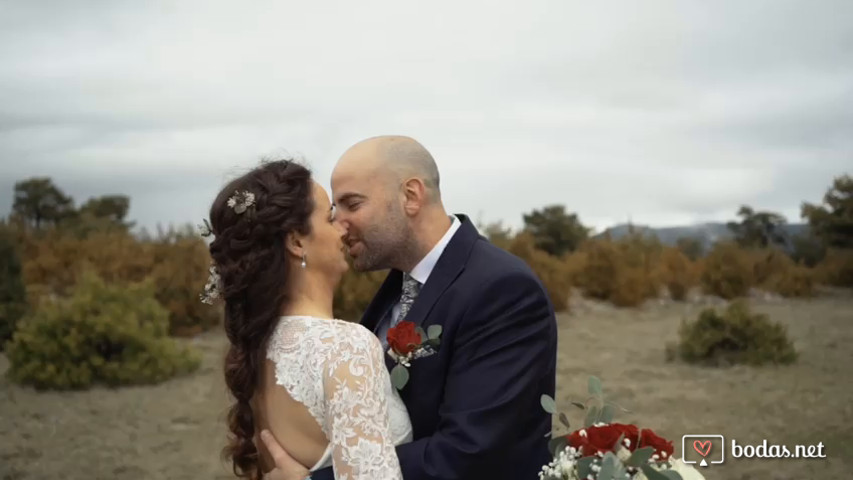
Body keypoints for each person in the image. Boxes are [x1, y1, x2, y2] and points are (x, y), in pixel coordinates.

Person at [259, 135, 558, 480]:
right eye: (334, 210)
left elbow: (472, 451)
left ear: (411, 196)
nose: (339, 224)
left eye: (352, 205)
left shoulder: (502, 289)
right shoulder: (398, 285)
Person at [204, 159, 412, 480]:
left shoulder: (260, 346)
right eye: (330, 216)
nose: (343, 226)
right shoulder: (343, 347)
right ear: (297, 242)